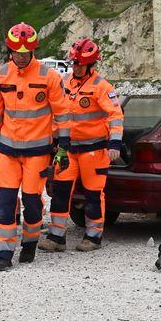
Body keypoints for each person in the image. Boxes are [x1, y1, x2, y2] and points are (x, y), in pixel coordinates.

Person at [0, 22, 72, 271]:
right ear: (10, 51)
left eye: (25, 52)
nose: (21, 57)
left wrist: (63, 146)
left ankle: (30, 243)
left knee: (32, 202)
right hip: (7, 150)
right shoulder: (1, 74)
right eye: (17, 52)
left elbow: (62, 113)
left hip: (37, 152)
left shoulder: (49, 77)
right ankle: (3, 253)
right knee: (5, 201)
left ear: (32, 50)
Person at [38, 37, 124, 252]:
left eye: (80, 64)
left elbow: (115, 115)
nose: (76, 67)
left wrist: (115, 143)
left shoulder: (101, 86)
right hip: (67, 150)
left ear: (90, 64)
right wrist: (50, 140)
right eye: (74, 63)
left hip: (94, 150)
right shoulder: (64, 82)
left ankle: (93, 237)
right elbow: (57, 114)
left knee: (93, 194)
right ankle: (56, 237)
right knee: (60, 192)